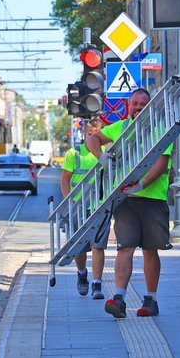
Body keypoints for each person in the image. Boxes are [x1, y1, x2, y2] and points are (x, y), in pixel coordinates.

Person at [86, 88, 171, 318]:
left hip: (152, 198)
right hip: (125, 199)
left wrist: (141, 185)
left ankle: (150, 300)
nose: (139, 108)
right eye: (135, 103)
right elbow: (92, 139)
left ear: (150, 106)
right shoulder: (121, 127)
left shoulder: (159, 128)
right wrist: (101, 156)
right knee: (125, 247)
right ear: (129, 104)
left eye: (143, 104)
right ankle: (119, 297)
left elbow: (161, 163)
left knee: (150, 249)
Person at [60, 117, 109, 300]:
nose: (92, 137)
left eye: (96, 134)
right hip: (77, 207)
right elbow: (65, 180)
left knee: (98, 246)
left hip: (100, 206)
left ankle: (97, 284)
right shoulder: (75, 153)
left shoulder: (107, 153)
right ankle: (82, 273)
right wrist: (69, 201)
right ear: (84, 133)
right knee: (79, 247)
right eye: (90, 133)